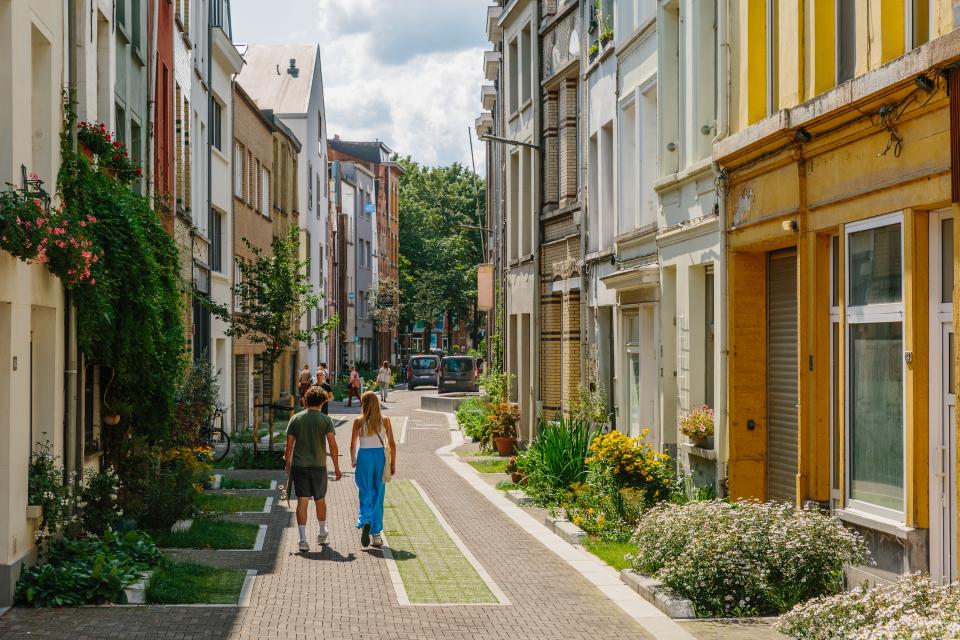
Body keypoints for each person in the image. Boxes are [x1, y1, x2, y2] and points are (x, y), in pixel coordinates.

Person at [285, 386, 341, 552]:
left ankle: (302, 539)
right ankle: (322, 532)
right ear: (323, 402)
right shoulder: (326, 420)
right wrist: (337, 468)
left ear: (305, 401)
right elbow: (333, 445)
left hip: (299, 466)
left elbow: (289, 446)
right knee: (320, 500)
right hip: (319, 466)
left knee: (302, 501)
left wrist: (288, 464)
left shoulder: (295, 419)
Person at [350, 391, 397, 548]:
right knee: (379, 493)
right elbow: (392, 445)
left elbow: (352, 445)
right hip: (379, 458)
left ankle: (365, 521)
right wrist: (392, 464)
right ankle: (376, 536)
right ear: (377, 403)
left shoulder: (358, 421)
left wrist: (353, 459)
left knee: (365, 491)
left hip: (364, 456)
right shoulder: (385, 420)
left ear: (363, 403)